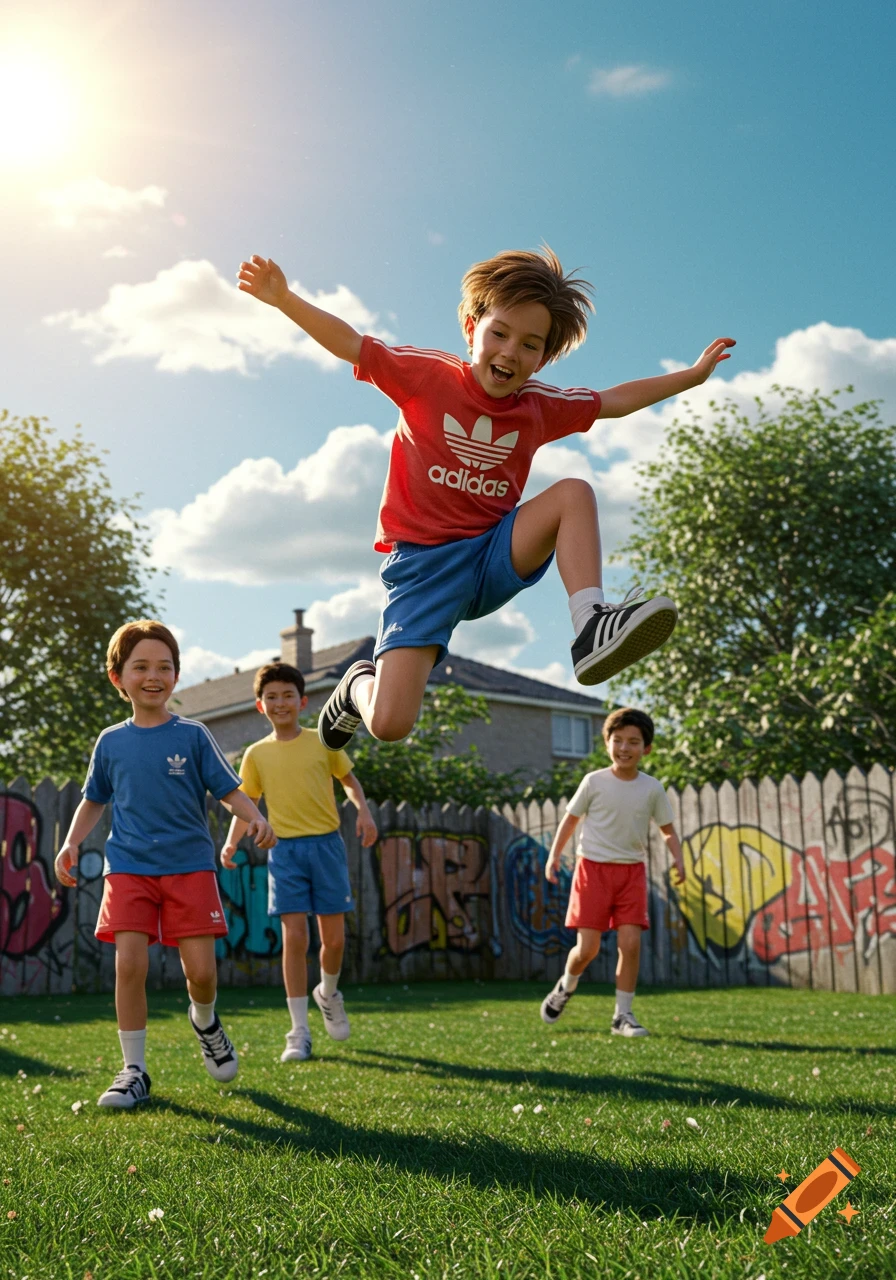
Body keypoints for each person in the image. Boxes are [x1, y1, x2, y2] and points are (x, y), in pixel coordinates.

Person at [237, 247, 734, 753]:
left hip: (493, 552)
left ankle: (591, 624)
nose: (510, 352)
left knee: (574, 493)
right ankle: (356, 686)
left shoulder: (540, 407)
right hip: (424, 571)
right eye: (500, 333)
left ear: (545, 357)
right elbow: (351, 344)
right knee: (389, 723)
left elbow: (614, 401)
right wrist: (284, 299)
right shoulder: (426, 376)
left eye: (530, 345)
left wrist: (690, 377)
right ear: (472, 328)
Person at [55, 620, 275, 1109]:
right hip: (128, 866)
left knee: (200, 972)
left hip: (189, 867)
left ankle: (205, 1021)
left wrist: (255, 817)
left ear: (176, 675)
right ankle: (133, 1070)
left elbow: (228, 790)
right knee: (128, 964)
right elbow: (93, 800)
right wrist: (70, 843)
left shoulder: (193, 735)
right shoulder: (110, 742)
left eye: (164, 667)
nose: (153, 676)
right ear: (118, 677)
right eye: (141, 667)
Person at [221, 661, 377, 1063]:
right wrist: (230, 843)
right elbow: (247, 804)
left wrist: (363, 811)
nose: (280, 703)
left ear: (302, 701)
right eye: (271, 697)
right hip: (284, 853)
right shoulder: (255, 754)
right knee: (294, 939)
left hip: (326, 847)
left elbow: (349, 781)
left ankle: (327, 992)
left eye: (287, 695)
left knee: (334, 941)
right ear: (260, 705)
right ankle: (299, 1031)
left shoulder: (325, 741)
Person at [540, 707, 685, 1037]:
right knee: (587, 949)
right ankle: (566, 986)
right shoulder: (594, 781)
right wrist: (553, 857)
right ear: (607, 743)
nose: (624, 748)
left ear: (646, 748)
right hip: (592, 870)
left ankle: (623, 1016)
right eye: (617, 740)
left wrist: (679, 859)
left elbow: (667, 829)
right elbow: (570, 821)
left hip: (631, 873)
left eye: (633, 742)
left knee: (630, 943)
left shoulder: (652, 788)